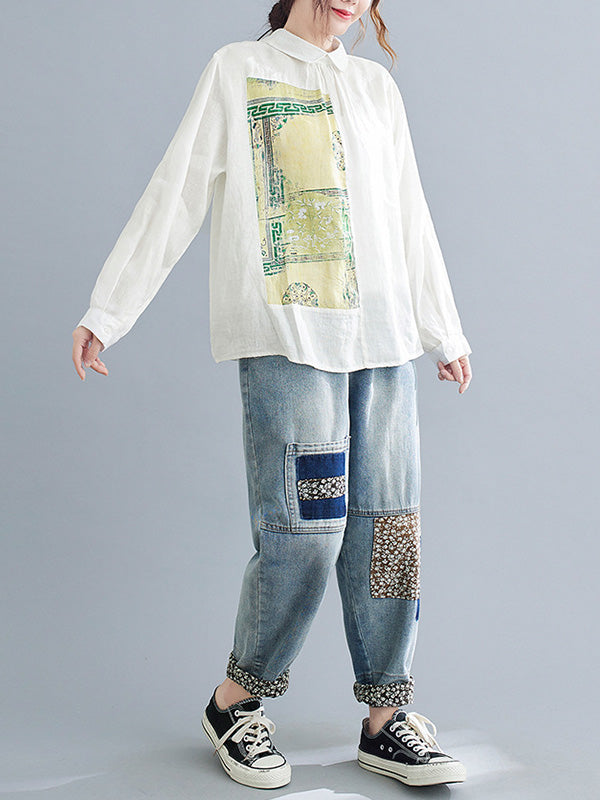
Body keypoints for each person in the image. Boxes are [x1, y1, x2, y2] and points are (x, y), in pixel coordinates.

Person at [71, 0, 473, 790]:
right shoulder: (240, 71)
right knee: (306, 532)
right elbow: (176, 192)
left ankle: (387, 717)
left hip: (384, 341)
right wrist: (107, 312)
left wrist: (444, 330)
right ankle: (236, 700)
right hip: (291, 339)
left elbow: (410, 216)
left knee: (390, 533)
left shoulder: (376, 90)